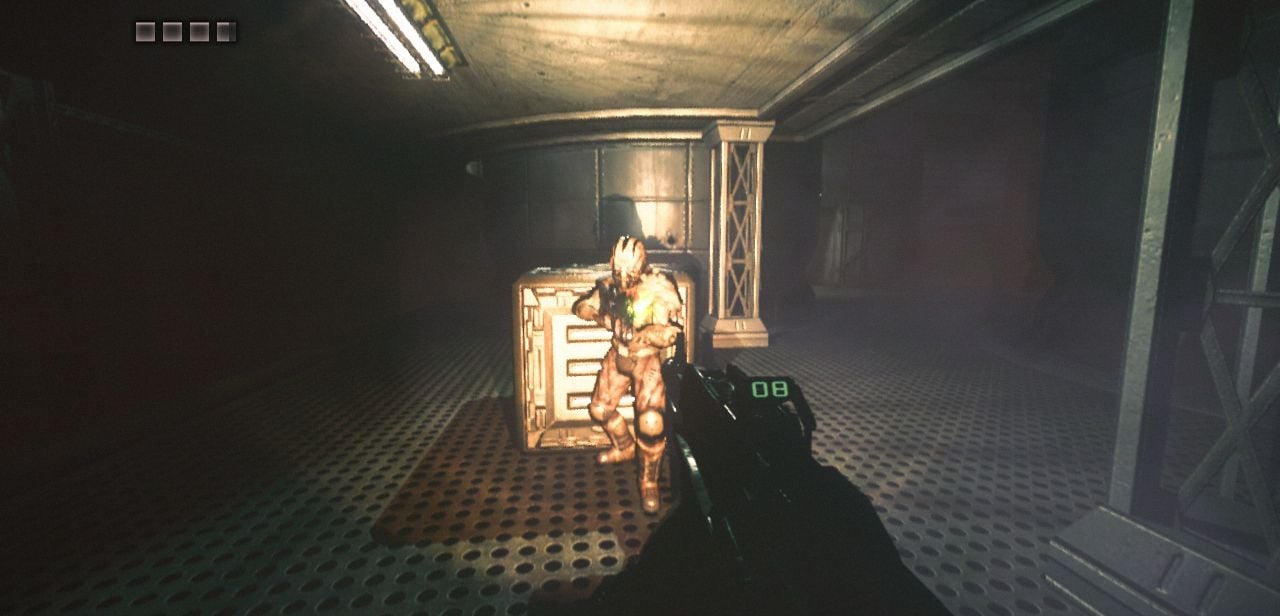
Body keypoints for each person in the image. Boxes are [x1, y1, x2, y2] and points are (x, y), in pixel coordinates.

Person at [572, 236, 682, 513]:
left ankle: (649, 482)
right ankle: (624, 446)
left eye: (629, 271)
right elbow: (582, 307)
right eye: (618, 270)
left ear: (642, 265)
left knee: (651, 422)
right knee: (599, 409)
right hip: (619, 354)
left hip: (646, 359)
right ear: (612, 264)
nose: (623, 277)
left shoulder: (657, 285)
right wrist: (599, 316)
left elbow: (671, 330)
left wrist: (650, 334)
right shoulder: (609, 285)